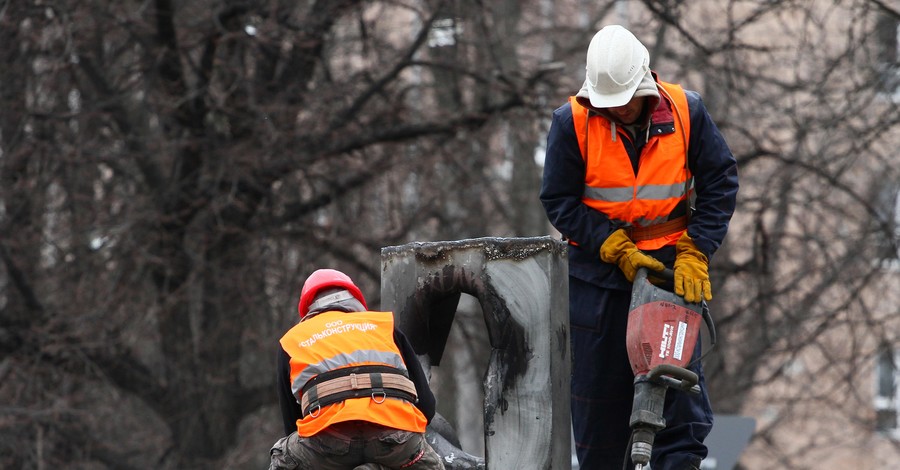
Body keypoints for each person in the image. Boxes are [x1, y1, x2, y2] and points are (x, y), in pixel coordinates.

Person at [540, 25, 739, 470]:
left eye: (626, 100)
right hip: (597, 280)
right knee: (598, 409)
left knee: (678, 403)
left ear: (646, 84)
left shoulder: (687, 112)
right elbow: (559, 200)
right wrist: (610, 244)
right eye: (609, 103)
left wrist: (696, 250)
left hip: (670, 275)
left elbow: (720, 180)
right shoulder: (571, 121)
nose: (619, 110)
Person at [268, 268, 446, 470]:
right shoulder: (383, 326)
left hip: (329, 442)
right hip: (395, 438)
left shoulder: (293, 340)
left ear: (308, 309)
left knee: (283, 458)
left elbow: (292, 426)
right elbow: (427, 407)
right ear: (355, 300)